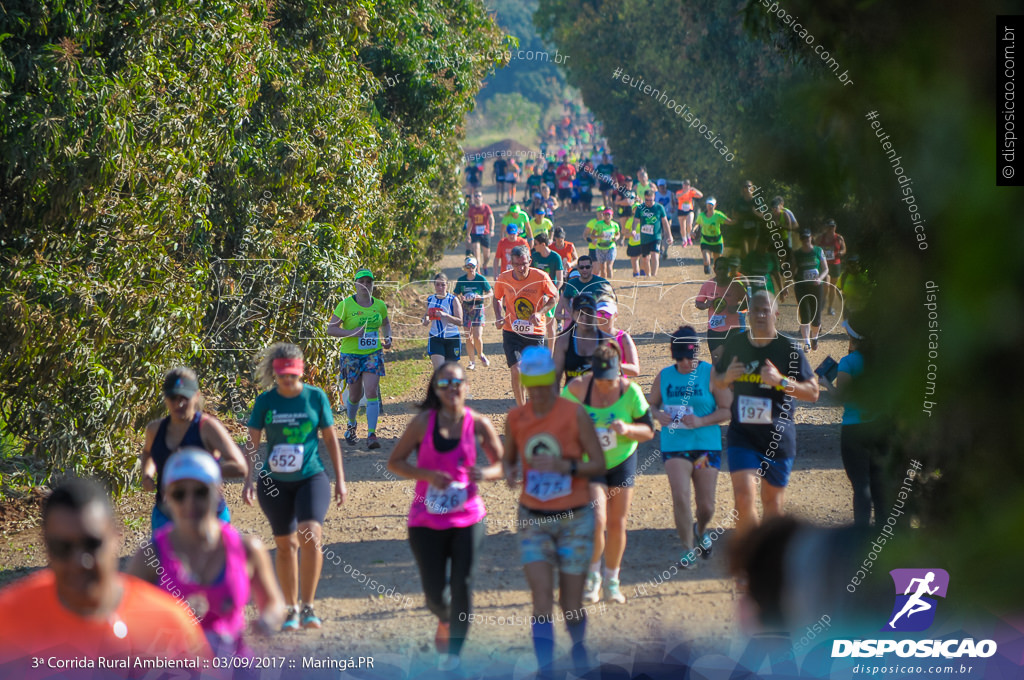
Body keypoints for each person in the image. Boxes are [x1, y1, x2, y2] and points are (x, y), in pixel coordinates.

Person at [0, 479, 211, 665]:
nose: (79, 561)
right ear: (45, 546)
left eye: (92, 544)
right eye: (63, 547)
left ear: (115, 538)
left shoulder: (169, 623)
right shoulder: (8, 618)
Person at [387, 363, 504, 671]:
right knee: (435, 594)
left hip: (468, 518)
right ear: (436, 390)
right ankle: (444, 617)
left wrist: (485, 472)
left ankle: (453, 655)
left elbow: (503, 464)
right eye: (445, 383)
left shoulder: (479, 423)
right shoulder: (422, 422)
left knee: (463, 583)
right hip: (426, 520)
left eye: (457, 382)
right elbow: (395, 462)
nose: (452, 388)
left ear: (466, 386)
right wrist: (426, 474)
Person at [503, 346, 607, 676]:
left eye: (545, 385)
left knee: (571, 604)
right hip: (533, 518)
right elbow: (508, 460)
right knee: (542, 599)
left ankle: (578, 652)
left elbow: (599, 464)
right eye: (532, 386)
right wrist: (510, 472)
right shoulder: (516, 418)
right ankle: (546, 669)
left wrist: (565, 466)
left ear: (554, 380)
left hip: (575, 517)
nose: (539, 393)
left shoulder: (573, 414)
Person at [127, 449, 285, 656]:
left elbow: (275, 604)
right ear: (167, 498)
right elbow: (125, 614)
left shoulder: (246, 548)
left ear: (217, 491)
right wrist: (171, 616)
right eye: (179, 494)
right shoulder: (151, 555)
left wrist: (267, 620)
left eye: (200, 492)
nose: (190, 502)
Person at [243, 342, 347, 630]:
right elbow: (252, 444)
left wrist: (340, 478)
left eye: (293, 375)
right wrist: (248, 479)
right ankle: (291, 609)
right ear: (275, 374)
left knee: (310, 533)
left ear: (301, 372)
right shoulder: (265, 402)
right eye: (283, 376)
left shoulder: (315, 398)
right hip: (274, 482)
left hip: (310, 476)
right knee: (286, 545)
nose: (288, 381)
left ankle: (309, 606)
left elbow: (329, 438)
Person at [711, 291, 819, 538]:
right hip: (743, 435)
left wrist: (781, 381)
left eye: (765, 310)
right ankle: (748, 565)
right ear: (748, 314)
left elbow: (813, 392)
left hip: (777, 437)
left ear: (776, 314)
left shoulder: (788, 349)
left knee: (772, 506)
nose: (760, 314)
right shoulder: (736, 344)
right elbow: (715, 379)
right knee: (743, 496)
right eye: (755, 310)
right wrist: (726, 378)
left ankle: (768, 563)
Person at [564, 344, 655, 605]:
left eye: (611, 379)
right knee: (596, 520)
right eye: (601, 381)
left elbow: (648, 431)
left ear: (620, 372)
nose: (606, 386)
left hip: (622, 461)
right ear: (593, 373)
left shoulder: (631, 391)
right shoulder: (577, 389)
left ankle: (612, 581)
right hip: (590, 464)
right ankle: (592, 578)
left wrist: (627, 429)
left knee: (617, 523)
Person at [648, 327, 732, 567]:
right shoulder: (665, 376)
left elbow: (727, 409)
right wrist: (658, 415)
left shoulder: (711, 373)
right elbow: (651, 404)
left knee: (706, 505)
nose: (685, 363)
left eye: (689, 357)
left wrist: (702, 421)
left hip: (705, 447)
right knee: (681, 497)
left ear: (696, 353)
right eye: (679, 358)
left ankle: (701, 529)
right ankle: (687, 548)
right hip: (675, 446)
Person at [141, 367, 247, 530]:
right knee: (167, 557)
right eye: (173, 398)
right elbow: (148, 452)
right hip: (167, 516)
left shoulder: (207, 427)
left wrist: (203, 471)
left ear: (196, 396)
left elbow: (240, 466)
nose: (179, 403)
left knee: (213, 556)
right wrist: (147, 474)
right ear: (165, 398)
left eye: (185, 397)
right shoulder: (155, 430)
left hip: (210, 515)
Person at [833, 316, 890, 526]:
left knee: (860, 485)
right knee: (879, 481)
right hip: (881, 427)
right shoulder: (883, 361)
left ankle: (861, 534)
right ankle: (885, 533)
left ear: (852, 338)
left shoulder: (847, 362)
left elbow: (843, 396)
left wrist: (825, 384)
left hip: (854, 429)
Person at [327, 269, 393, 447]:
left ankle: (372, 434)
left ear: (372, 284)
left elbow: (386, 324)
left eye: (369, 281)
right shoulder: (346, 305)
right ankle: (351, 424)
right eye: (362, 281)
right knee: (356, 394)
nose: (365, 285)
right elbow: (331, 329)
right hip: (351, 354)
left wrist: (388, 337)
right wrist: (352, 333)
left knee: (371, 391)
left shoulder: (379, 305)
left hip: (373, 353)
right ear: (355, 284)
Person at [493, 246, 559, 405]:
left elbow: (554, 297)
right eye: (517, 264)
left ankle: (539, 405)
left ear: (530, 261)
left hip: (534, 331)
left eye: (524, 264)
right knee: (516, 369)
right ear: (511, 263)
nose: (521, 268)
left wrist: (540, 312)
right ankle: (521, 408)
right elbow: (496, 298)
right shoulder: (504, 277)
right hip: (511, 329)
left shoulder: (541, 276)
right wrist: (498, 316)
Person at [553, 293, 613, 387]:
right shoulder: (563, 341)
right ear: (573, 314)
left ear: (595, 313)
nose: (585, 318)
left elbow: (614, 380)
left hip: (598, 399)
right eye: (580, 313)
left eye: (589, 312)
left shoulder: (607, 341)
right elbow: (555, 379)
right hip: (571, 399)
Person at [697, 256, 747, 363]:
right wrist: (706, 305)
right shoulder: (708, 285)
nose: (722, 271)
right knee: (716, 362)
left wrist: (737, 307)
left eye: (725, 268)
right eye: (719, 268)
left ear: (728, 269)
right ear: (715, 270)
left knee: (733, 360)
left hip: (733, 329)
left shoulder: (736, 285)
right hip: (714, 330)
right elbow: (698, 302)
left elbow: (748, 302)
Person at [453, 256, 493, 370]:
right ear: (465, 267)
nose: (471, 269)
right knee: (468, 337)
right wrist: (460, 298)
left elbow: (490, 292)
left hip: (478, 308)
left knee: (477, 336)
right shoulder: (461, 280)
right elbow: (455, 294)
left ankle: (480, 354)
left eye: (473, 266)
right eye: (468, 266)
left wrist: (482, 296)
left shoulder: (481, 279)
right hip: (465, 308)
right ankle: (472, 361)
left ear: (476, 267)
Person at [793, 228, 829, 350]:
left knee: (816, 316)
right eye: (803, 238)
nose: (805, 241)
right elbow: (792, 270)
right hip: (801, 286)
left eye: (807, 238)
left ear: (811, 238)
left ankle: (814, 338)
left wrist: (820, 278)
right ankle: (806, 342)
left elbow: (825, 269)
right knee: (805, 314)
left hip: (816, 286)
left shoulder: (818, 251)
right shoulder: (797, 254)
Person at [556, 254, 613, 327]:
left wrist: (602, 315)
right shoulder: (572, 283)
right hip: (578, 326)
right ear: (578, 268)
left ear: (592, 267)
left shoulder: (602, 283)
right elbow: (565, 297)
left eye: (587, 267)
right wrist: (571, 312)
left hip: (597, 324)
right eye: (581, 267)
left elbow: (613, 300)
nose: (584, 270)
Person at [531, 233, 566, 348]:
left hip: (550, 295)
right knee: (534, 325)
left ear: (543, 244)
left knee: (550, 326)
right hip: (536, 295)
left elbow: (560, 280)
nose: (534, 246)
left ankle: (551, 356)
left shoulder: (555, 257)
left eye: (536, 244)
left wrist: (551, 293)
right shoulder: (534, 256)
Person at [423, 272, 464, 369]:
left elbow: (460, 321)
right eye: (437, 284)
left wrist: (445, 315)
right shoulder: (430, 299)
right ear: (434, 285)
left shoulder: (453, 300)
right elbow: (425, 316)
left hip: (452, 337)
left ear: (447, 285)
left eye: (443, 285)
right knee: (440, 370)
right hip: (435, 337)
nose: (440, 287)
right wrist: (425, 320)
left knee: (450, 371)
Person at [594, 299, 640, 376]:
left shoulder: (623, 337)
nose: (603, 317)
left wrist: (612, 364)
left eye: (607, 314)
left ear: (615, 316)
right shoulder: (588, 337)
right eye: (599, 314)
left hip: (618, 385)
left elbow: (635, 370)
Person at [632, 190, 672, 278]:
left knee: (655, 255)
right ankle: (648, 275)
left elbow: (665, 222)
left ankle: (654, 276)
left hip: (656, 236)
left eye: (651, 200)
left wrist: (669, 236)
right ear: (644, 199)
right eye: (647, 200)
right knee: (645, 259)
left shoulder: (659, 207)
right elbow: (635, 221)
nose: (649, 202)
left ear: (654, 198)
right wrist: (634, 230)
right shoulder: (640, 208)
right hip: (645, 237)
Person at [815, 218, 847, 315]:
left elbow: (844, 249)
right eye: (829, 227)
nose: (830, 229)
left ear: (835, 227)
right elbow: (814, 248)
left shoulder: (839, 238)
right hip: (824, 264)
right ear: (826, 227)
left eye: (832, 227)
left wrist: (841, 252)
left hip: (835, 264)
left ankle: (830, 307)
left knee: (832, 286)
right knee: (825, 285)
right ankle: (823, 301)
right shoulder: (821, 237)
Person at [695, 197, 732, 275]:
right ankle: (707, 268)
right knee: (706, 261)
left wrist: (738, 221)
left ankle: (717, 278)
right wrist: (692, 230)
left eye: (711, 204)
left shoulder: (718, 215)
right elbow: (697, 223)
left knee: (717, 263)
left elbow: (729, 221)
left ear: (715, 205)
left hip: (717, 241)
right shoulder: (702, 215)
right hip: (705, 240)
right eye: (708, 204)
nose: (709, 206)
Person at [583, 206, 620, 279]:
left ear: (612, 216)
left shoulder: (615, 225)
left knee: (609, 266)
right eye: (605, 214)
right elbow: (590, 235)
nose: (607, 216)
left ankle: (611, 283)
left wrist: (616, 238)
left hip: (610, 247)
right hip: (599, 247)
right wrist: (599, 236)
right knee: (602, 269)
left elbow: (618, 233)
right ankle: (603, 283)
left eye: (608, 214)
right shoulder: (597, 224)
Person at [465, 190, 494, 275]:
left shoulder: (486, 207)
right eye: (476, 196)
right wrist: (468, 234)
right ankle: (478, 270)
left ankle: (484, 264)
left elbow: (491, 218)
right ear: (474, 198)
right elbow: (469, 222)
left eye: (479, 196)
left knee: (487, 254)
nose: (477, 198)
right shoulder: (472, 209)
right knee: (476, 250)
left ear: (482, 198)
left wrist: (492, 229)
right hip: (475, 233)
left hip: (485, 233)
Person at [675, 179, 705, 247]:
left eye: (687, 184)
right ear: (683, 185)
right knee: (682, 227)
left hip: (689, 210)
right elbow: (677, 196)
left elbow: (701, 195)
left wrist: (694, 189)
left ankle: (689, 237)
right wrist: (684, 192)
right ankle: (684, 240)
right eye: (685, 184)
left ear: (689, 185)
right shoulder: (679, 191)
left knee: (689, 224)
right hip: (681, 210)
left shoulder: (691, 192)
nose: (686, 186)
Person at [654, 179, 677, 249]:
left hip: (668, 215)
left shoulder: (670, 193)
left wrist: (673, 209)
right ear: (658, 186)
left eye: (663, 186)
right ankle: (660, 249)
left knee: (667, 233)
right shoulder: (655, 194)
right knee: (659, 234)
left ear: (665, 186)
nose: (662, 188)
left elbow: (674, 203)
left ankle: (665, 250)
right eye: (660, 186)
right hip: (658, 217)